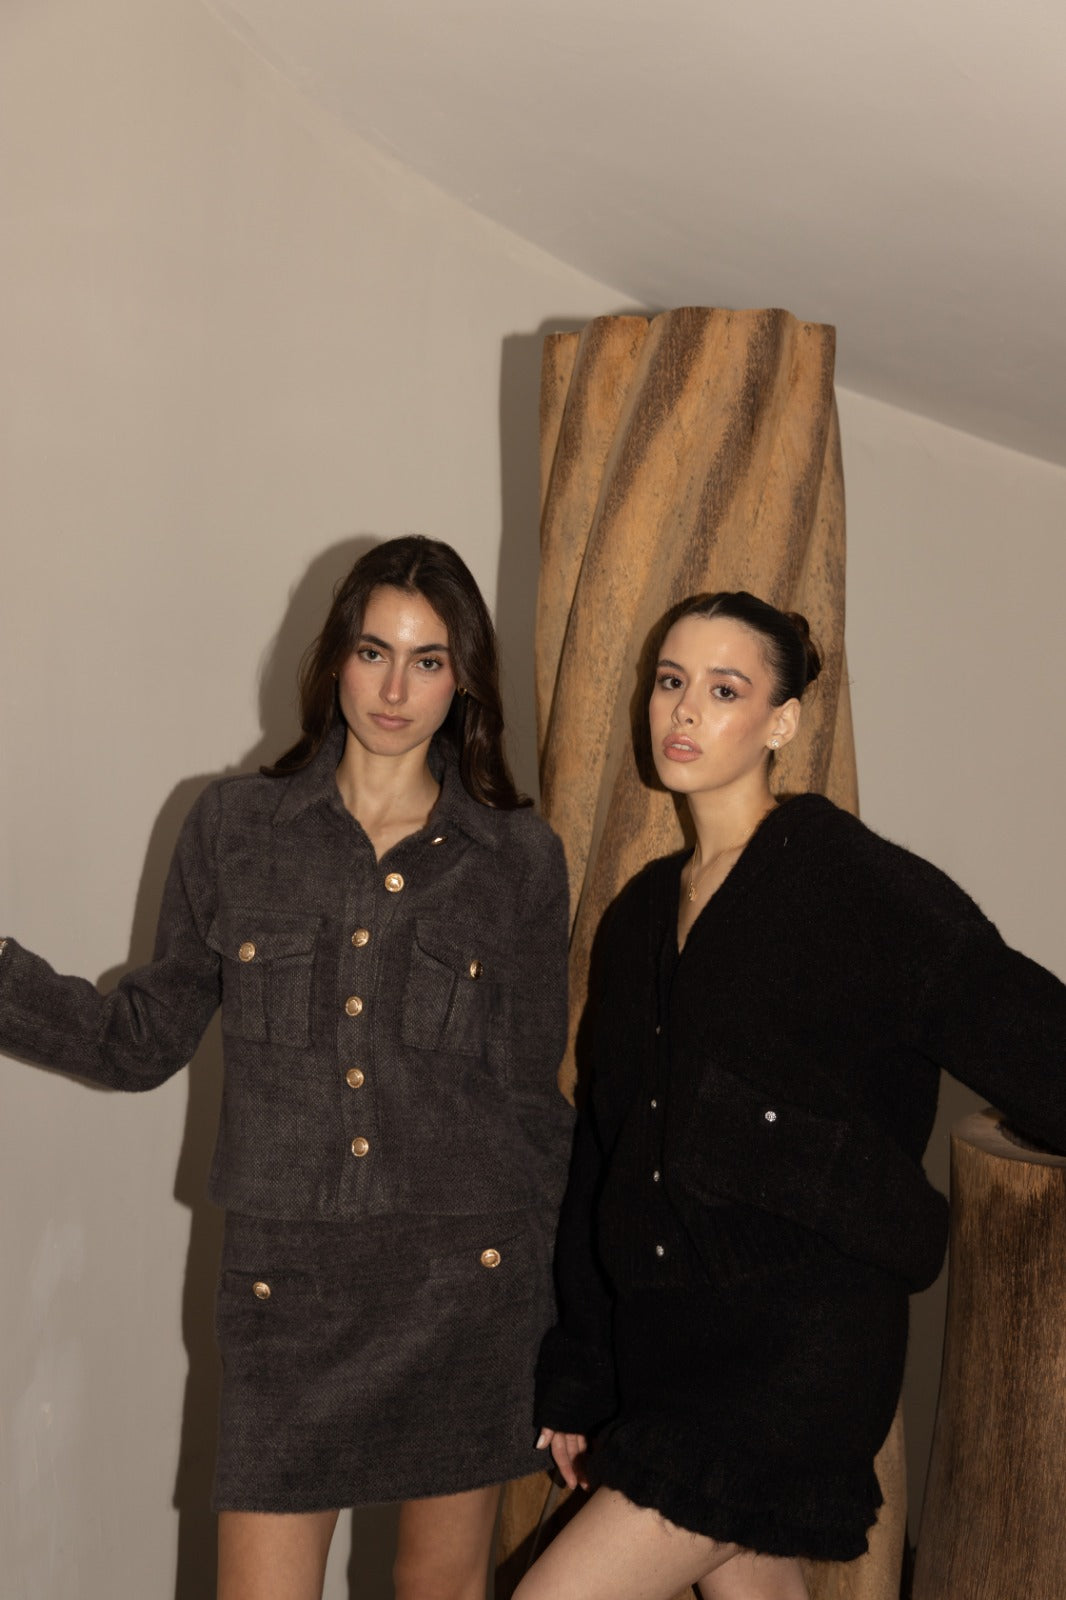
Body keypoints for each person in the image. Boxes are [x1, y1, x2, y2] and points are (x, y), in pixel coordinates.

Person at [0, 535, 573, 1600]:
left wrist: (578, 1336)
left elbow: (531, 1108)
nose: (394, 690)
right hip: (287, 1291)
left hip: (465, 1289)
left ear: (464, 681)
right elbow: (138, 1040)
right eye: (374, 652)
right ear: (336, 658)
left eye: (429, 661)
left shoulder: (517, 860)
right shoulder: (234, 828)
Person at [521, 590, 1066, 1600]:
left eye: (724, 689)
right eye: (670, 681)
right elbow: (604, 1154)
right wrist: (581, 1370)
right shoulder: (639, 915)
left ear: (782, 722)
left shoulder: (853, 883)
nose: (685, 710)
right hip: (670, 1350)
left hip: (799, 1348)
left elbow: (1019, 1025)